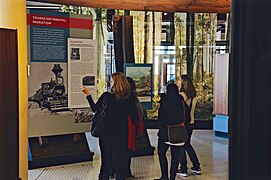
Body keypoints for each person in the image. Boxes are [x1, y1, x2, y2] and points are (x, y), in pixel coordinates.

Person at [82, 72, 131, 180]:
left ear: (116, 83)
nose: (110, 82)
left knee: (106, 162)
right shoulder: (128, 99)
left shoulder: (106, 96)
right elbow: (132, 116)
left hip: (106, 135)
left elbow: (95, 108)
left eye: (112, 80)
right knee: (120, 163)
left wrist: (88, 95)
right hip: (122, 134)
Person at [154, 83, 187, 180]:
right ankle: (172, 177)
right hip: (178, 133)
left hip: (165, 134)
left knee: (161, 154)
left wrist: (163, 129)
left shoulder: (165, 102)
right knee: (175, 157)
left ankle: (164, 176)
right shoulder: (181, 102)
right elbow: (187, 117)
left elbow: (161, 119)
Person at [176, 75, 201, 177]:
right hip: (191, 123)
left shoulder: (181, 95)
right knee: (187, 145)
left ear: (183, 83)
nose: (177, 82)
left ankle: (183, 169)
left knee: (181, 145)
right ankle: (196, 166)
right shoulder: (194, 96)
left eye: (179, 80)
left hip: (183, 124)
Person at [126, 77, 144, 179]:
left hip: (127, 127)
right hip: (131, 128)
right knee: (127, 150)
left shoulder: (125, 97)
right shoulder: (133, 98)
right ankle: (126, 172)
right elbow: (139, 112)